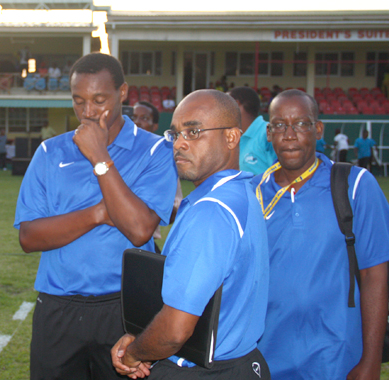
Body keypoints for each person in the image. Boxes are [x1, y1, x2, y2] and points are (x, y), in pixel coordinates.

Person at [14, 52, 177, 380]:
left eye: (99, 100)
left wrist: (99, 157)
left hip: (123, 310)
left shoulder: (155, 152)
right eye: (78, 101)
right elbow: (29, 238)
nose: (88, 112)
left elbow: (139, 229)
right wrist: (101, 212)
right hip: (57, 307)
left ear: (123, 93)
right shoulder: (50, 152)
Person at [111, 89, 270, 380]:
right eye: (175, 133)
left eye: (194, 131)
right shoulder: (240, 191)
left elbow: (174, 331)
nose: (180, 143)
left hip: (199, 370)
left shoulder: (211, 210)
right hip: (241, 362)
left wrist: (134, 353)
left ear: (232, 137)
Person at [255, 89, 389, 379]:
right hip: (266, 357)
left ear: (318, 129)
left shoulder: (355, 184)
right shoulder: (255, 194)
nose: (289, 134)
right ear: (269, 132)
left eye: (300, 123)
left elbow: (375, 275)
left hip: (336, 357)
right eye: (280, 125)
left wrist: (372, 360)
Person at [132, 101, 183, 252]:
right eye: (134, 117)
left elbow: (175, 209)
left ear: (155, 126)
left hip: (143, 245)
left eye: (144, 118)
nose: (137, 122)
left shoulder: (163, 161)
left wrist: (164, 207)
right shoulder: (114, 155)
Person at [228, 86, 277, 175]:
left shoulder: (267, 133)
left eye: (223, 105)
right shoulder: (234, 137)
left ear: (236, 104)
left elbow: (283, 176)